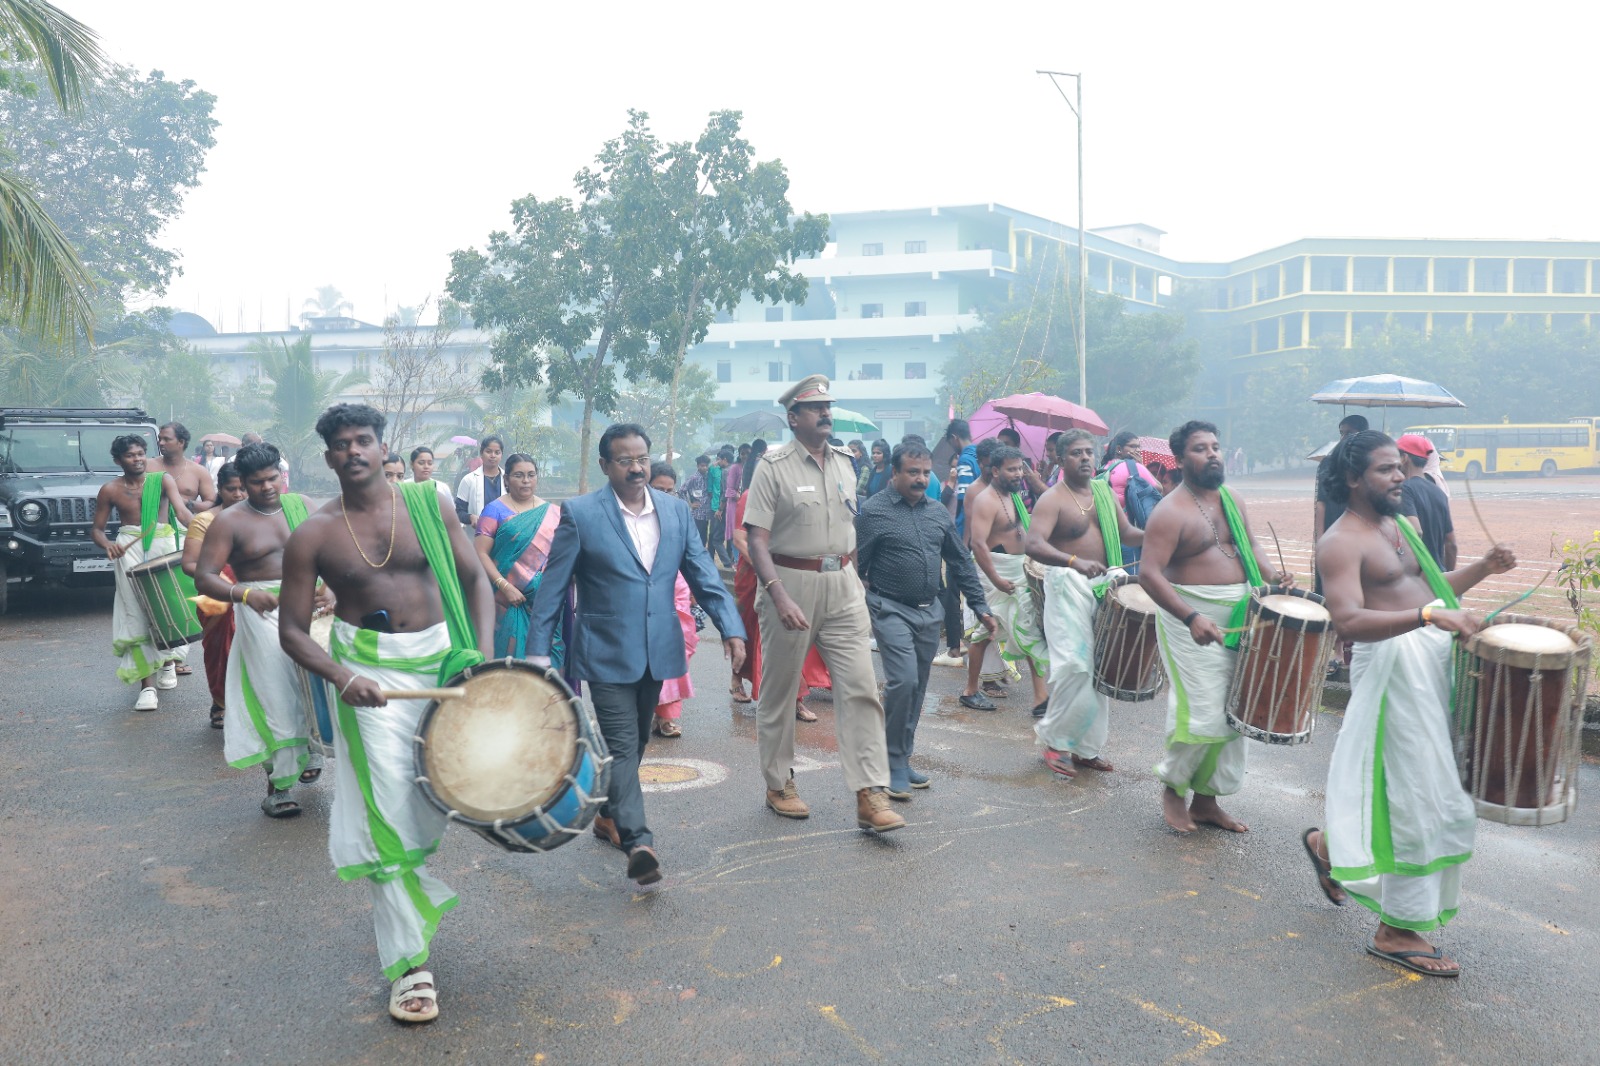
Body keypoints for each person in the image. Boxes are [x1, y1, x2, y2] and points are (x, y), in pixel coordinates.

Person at [279, 402, 494, 1024]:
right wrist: (342, 677)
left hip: (442, 661)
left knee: (438, 799)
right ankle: (409, 967)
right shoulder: (313, 534)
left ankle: (410, 902)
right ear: (328, 457)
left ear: (381, 446)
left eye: (363, 440)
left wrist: (481, 659)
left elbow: (475, 581)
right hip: (367, 677)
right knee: (384, 818)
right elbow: (292, 631)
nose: (354, 451)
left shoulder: (430, 504)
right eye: (342, 444)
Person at [1304, 431, 1515, 978]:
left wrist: (1483, 568)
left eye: (1400, 466)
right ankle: (1396, 930)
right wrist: (1427, 617)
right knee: (1417, 796)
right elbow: (1348, 620)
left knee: (1431, 789)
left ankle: (1329, 848)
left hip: (1429, 663)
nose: (1400, 476)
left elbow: (1428, 591)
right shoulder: (1340, 542)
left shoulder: (1400, 526)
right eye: (1385, 469)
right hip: (1392, 671)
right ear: (1353, 478)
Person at [528, 423, 744, 883]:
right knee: (623, 743)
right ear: (605, 465)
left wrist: (732, 628)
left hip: (658, 647)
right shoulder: (581, 513)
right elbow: (553, 587)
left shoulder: (675, 511)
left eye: (642, 458)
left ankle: (608, 815)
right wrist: (538, 654)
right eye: (625, 460)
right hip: (604, 650)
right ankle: (638, 841)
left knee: (638, 743)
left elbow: (704, 574)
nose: (636, 468)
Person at [743, 374, 904, 833]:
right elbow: (757, 539)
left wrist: (858, 580)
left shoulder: (846, 462)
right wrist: (777, 592)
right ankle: (779, 783)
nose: (826, 413)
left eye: (828, 406)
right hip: (790, 583)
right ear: (794, 418)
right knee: (779, 690)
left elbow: (850, 526)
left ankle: (869, 793)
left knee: (860, 688)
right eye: (816, 408)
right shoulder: (773, 467)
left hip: (843, 584)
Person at [1138, 420, 1291, 834]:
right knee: (1201, 712)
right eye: (1200, 448)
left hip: (1239, 615)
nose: (1212, 454)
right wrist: (1191, 617)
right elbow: (1149, 574)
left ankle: (1206, 800)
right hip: (1189, 617)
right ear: (1179, 459)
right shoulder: (1170, 511)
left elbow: (1251, 545)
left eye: (1215, 447)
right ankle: (1174, 788)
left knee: (1234, 711)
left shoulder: (1232, 499)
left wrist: (1274, 576)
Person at [194, 441, 325, 817]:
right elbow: (204, 576)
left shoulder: (303, 506)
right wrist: (244, 594)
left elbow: (332, 554)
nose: (267, 487)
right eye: (257, 482)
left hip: (313, 608)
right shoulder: (229, 522)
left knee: (319, 688)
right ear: (243, 483)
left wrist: (330, 589)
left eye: (272, 478)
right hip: (261, 612)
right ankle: (279, 788)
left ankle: (313, 748)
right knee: (276, 696)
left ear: (282, 475)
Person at [857, 441, 994, 798]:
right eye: (913, 472)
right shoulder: (873, 512)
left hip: (929, 612)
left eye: (925, 473)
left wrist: (980, 606)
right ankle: (891, 763)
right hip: (889, 608)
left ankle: (901, 758)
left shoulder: (937, 513)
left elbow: (960, 561)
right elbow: (856, 564)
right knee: (903, 681)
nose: (920, 479)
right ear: (895, 473)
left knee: (916, 686)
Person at [1026, 429, 1144, 775]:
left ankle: (1085, 749)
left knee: (1100, 668)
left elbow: (1127, 534)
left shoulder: (1104, 493)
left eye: (1089, 452)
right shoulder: (1052, 499)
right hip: (1067, 586)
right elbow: (1033, 544)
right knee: (1076, 667)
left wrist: (1162, 533)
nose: (1085, 458)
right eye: (1076, 453)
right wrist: (1073, 561)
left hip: (1103, 586)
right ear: (1061, 459)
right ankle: (1055, 743)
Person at [90, 434, 193, 711]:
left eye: (140, 454)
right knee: (136, 612)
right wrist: (108, 545)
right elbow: (97, 530)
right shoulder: (110, 490)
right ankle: (147, 687)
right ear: (118, 460)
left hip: (163, 547)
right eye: (130, 455)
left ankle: (168, 662)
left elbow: (182, 513)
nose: (137, 459)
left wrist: (205, 533)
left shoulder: (162, 481)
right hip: (129, 551)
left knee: (168, 607)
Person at [961, 445, 1050, 715]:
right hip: (995, 573)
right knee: (984, 633)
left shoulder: (1014, 495)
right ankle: (970, 690)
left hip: (1019, 570)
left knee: (1030, 627)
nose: (1018, 473)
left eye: (1020, 468)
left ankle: (1040, 698)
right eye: (1012, 469)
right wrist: (996, 579)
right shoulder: (985, 500)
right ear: (996, 471)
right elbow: (978, 544)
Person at [730, 483, 832, 716]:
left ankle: (794, 698)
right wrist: (769, 572)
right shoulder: (751, 496)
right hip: (755, 575)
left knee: (792, 634)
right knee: (749, 632)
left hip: (791, 574)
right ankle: (737, 676)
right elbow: (739, 539)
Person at [473, 453, 563, 659]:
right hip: (505, 601)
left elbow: (560, 558)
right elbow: (480, 553)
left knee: (547, 664)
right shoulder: (494, 510)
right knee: (508, 662)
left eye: (531, 475)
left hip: (544, 604)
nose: (526, 480)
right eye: (519, 475)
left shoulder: (553, 513)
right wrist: (505, 586)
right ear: (506, 479)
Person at [182, 462, 248, 729]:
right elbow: (189, 564)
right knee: (219, 651)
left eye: (243, 488)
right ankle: (220, 703)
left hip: (255, 593)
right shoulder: (205, 520)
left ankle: (251, 708)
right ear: (220, 489)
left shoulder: (262, 516)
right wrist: (221, 580)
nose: (239, 494)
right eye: (232, 489)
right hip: (217, 598)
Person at [647, 462, 697, 738]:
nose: (665, 495)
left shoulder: (679, 514)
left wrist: (695, 587)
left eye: (670, 490)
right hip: (644, 591)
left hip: (676, 589)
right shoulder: (630, 516)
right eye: (658, 489)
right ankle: (647, 711)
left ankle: (666, 716)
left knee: (675, 654)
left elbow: (692, 554)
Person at [933, 419, 974, 667]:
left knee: (952, 592)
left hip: (963, 538)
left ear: (954, 438)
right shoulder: (980, 456)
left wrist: (963, 542)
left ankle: (954, 649)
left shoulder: (967, 460)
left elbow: (967, 503)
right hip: (979, 537)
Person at [1395, 434, 1457, 571]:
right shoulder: (1440, 493)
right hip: (1438, 574)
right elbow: (1451, 544)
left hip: (1417, 576)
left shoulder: (1405, 490)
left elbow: (1416, 531)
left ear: (1404, 458)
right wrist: (1447, 577)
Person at [456, 435, 505, 525]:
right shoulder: (468, 480)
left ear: (501, 455)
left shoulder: (509, 479)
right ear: (481, 453)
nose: (493, 456)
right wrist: (470, 517)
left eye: (497, 452)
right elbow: (458, 512)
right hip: (477, 532)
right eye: (488, 452)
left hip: (504, 531)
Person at [683, 455, 713, 545]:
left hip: (706, 513)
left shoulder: (708, 477)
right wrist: (689, 504)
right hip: (697, 514)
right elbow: (681, 491)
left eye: (706, 466)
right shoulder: (693, 478)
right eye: (702, 466)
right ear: (698, 466)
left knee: (704, 538)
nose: (704, 468)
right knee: (696, 537)